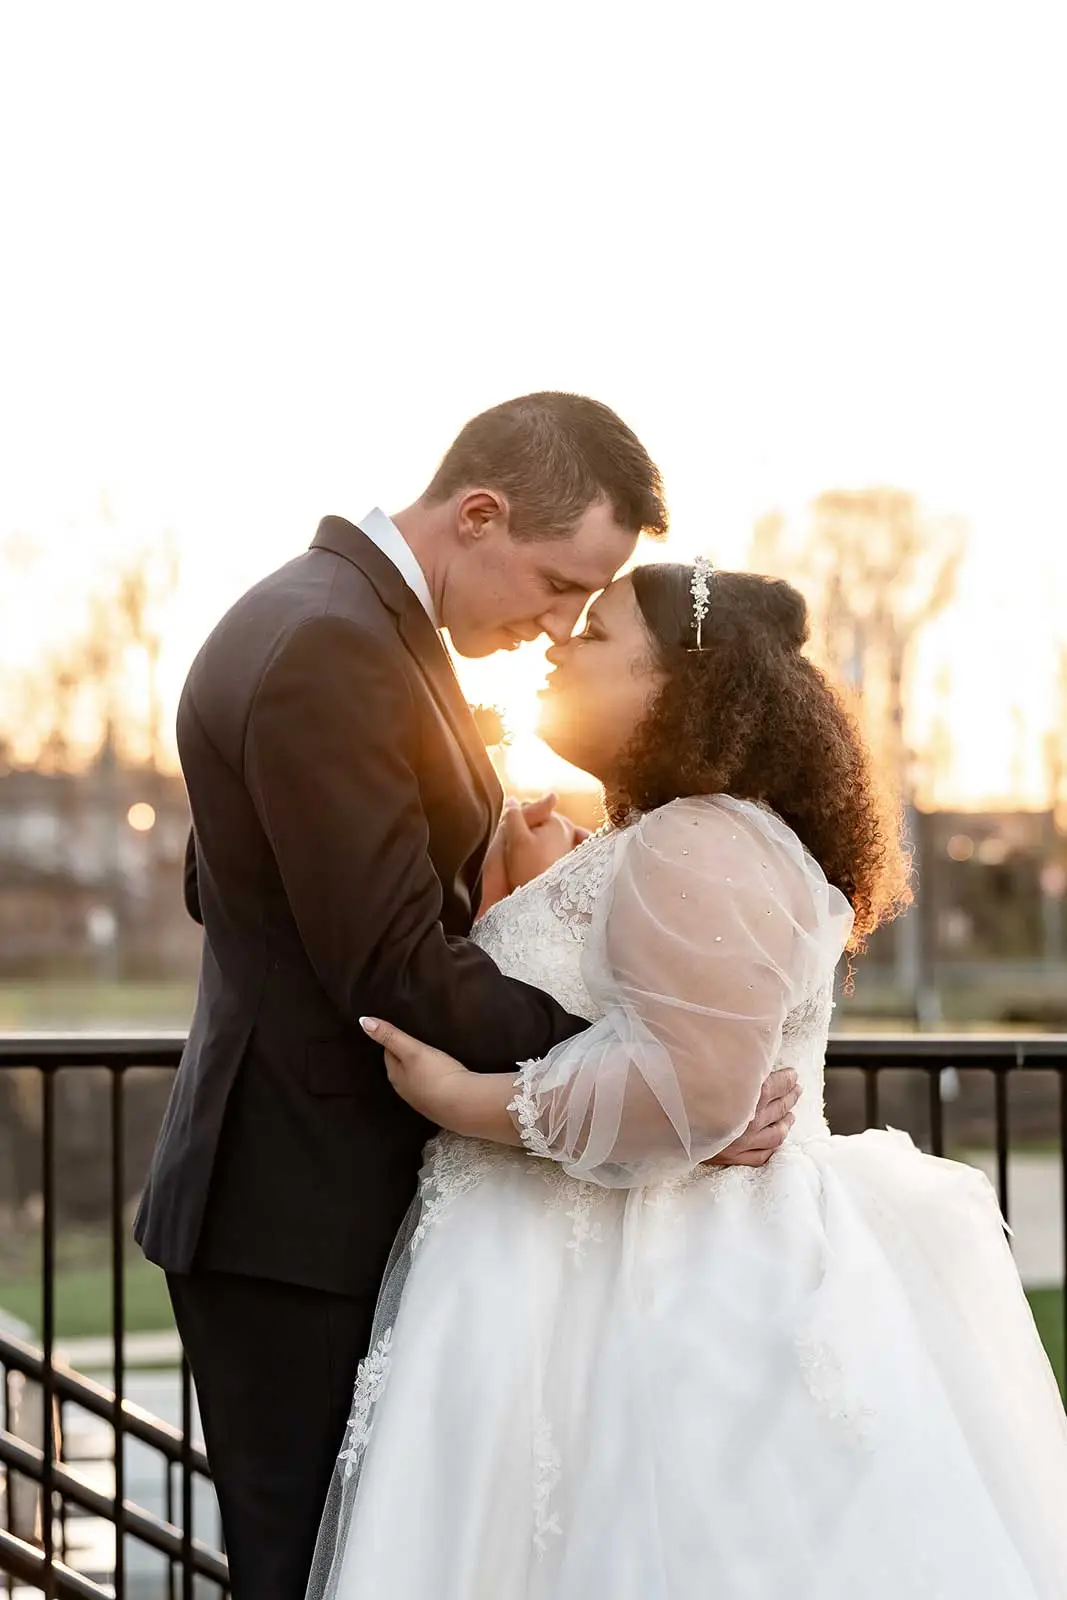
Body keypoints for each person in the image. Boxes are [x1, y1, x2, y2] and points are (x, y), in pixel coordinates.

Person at [133, 397, 797, 1600]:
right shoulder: (333, 642)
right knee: (309, 1574)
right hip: (297, 1214)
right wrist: (640, 1070)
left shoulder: (340, 622)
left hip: (317, 1195)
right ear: (478, 513)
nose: (559, 624)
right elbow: (394, 969)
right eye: (556, 584)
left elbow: (230, 883)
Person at [311, 561, 1067, 1599]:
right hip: (565, 1266)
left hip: (661, 1285)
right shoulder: (664, 836)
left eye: (595, 633)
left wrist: (459, 1100)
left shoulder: (698, 840)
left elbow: (692, 1095)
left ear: (681, 684)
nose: (560, 646)